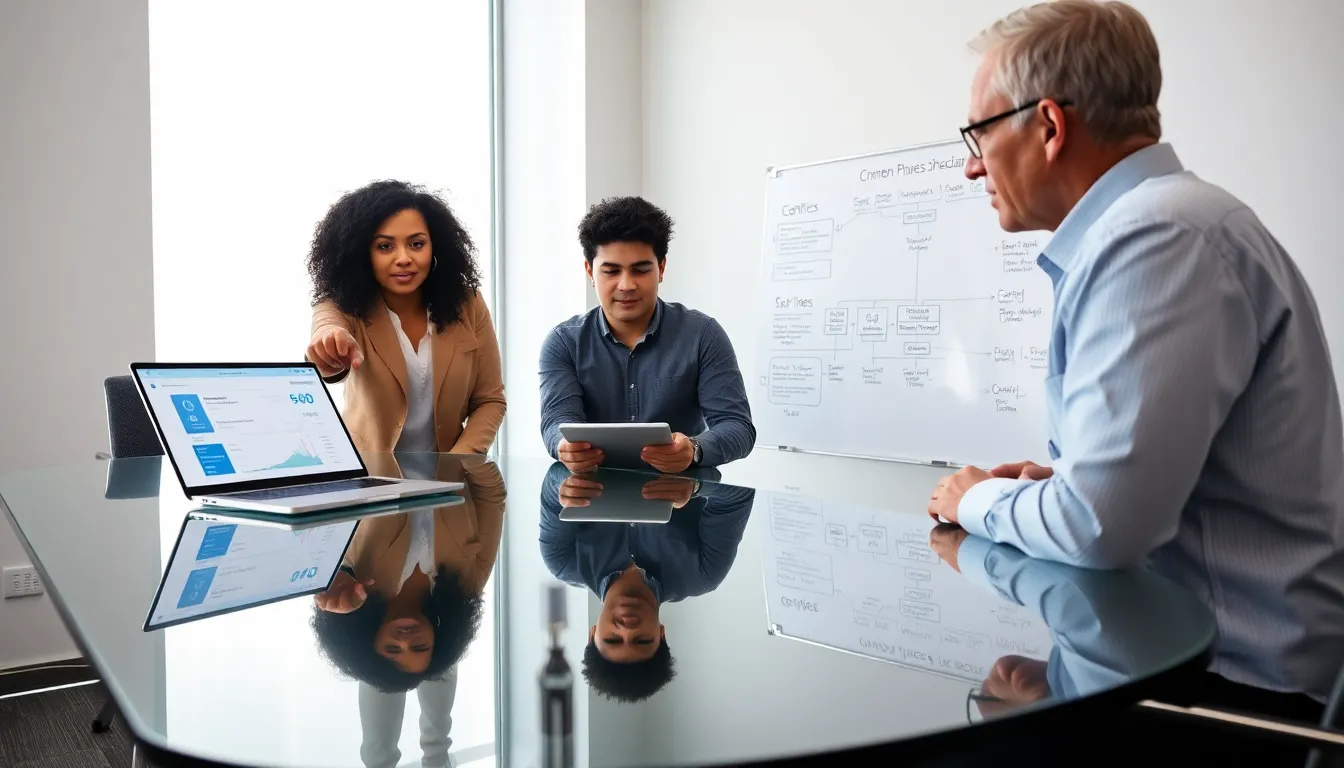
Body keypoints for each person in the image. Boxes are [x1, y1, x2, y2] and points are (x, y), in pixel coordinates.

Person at [924, 1, 1344, 763]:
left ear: (1048, 126)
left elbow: (1099, 525)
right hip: (1188, 671)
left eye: (979, 134)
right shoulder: (1172, 225)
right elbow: (1132, 494)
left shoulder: (1157, 238)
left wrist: (976, 499)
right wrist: (1064, 480)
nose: (972, 164)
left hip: (1226, 698)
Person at [539, 196, 756, 474]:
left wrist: (694, 449)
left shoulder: (703, 335)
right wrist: (564, 447)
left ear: (661, 268)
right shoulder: (563, 342)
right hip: (591, 503)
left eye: (641, 270)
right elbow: (556, 423)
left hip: (682, 504)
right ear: (589, 271)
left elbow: (738, 427)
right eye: (611, 271)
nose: (626, 285)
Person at [305, 179, 505, 455]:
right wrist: (329, 347)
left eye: (416, 244)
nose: (403, 258)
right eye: (385, 247)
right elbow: (327, 328)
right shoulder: (341, 305)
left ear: (436, 247)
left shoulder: (468, 303)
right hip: (368, 481)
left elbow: (490, 400)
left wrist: (457, 464)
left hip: (451, 485)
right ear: (362, 253)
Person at [538, 462, 755, 702]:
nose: (627, 628)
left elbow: (553, 478)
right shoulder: (703, 572)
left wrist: (571, 484)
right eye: (642, 639)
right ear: (661, 634)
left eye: (612, 639)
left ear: (593, 634)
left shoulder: (563, 561)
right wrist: (695, 487)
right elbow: (740, 493)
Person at [311, 455, 505, 699]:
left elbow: (323, 494)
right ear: (438, 641)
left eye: (392, 648)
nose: (406, 641)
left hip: (373, 428)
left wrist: (336, 574)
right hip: (444, 426)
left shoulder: (348, 585)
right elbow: (491, 497)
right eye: (419, 647)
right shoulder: (465, 585)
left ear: (368, 640)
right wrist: (467, 453)